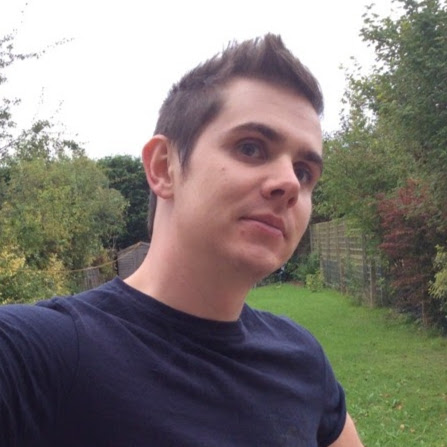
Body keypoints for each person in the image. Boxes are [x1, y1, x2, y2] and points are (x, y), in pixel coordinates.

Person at [0, 34, 364, 446]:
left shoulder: (301, 360)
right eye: (251, 148)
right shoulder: (40, 357)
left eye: (304, 172)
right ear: (163, 168)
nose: (289, 184)